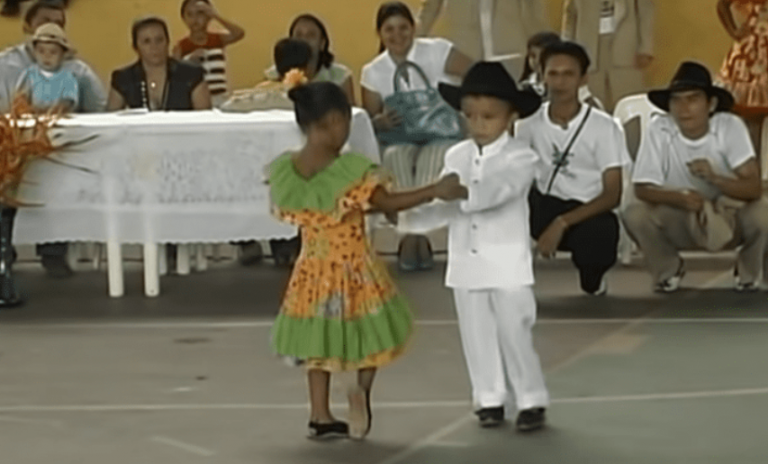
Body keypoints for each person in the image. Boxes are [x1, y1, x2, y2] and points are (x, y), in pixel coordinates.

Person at [268, 81, 460, 440]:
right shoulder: (351, 169)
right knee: (370, 333)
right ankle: (360, 390)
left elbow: (323, 208)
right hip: (353, 266)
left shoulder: (288, 170)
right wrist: (434, 189)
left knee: (316, 342)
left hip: (311, 270)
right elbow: (385, 203)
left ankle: (320, 414)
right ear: (334, 121)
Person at [400, 62, 549, 432]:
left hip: (507, 262)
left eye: (488, 116)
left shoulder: (521, 157)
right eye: (470, 115)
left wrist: (462, 192)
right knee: (476, 333)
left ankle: (530, 398)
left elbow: (500, 192)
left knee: (515, 330)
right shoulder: (456, 157)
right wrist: (405, 219)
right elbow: (443, 206)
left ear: (511, 116)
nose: (478, 124)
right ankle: (489, 397)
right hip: (465, 261)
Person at [622, 61, 768, 292]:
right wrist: (678, 198)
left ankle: (749, 270)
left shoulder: (730, 127)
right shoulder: (659, 129)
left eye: (693, 99)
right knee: (634, 213)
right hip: (680, 217)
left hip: (728, 217)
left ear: (710, 105)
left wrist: (715, 178)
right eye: (676, 100)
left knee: (764, 212)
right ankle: (668, 270)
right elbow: (642, 188)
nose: (684, 108)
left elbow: (753, 188)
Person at [361, 1, 473, 271]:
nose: (397, 35)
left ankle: (414, 235)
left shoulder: (437, 50)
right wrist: (381, 121)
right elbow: (368, 122)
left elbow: (475, 73)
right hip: (400, 138)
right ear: (380, 34)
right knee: (394, 157)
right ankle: (413, 234)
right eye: (389, 30)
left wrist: (458, 105)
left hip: (441, 132)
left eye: (403, 28)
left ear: (413, 28)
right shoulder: (373, 71)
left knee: (435, 156)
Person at [0, 0, 106, 278]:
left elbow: (99, 109)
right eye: (45, 21)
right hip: (11, 147)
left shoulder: (76, 69)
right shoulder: (6, 64)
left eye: (59, 24)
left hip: (60, 149)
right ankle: (4, 254)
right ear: (27, 26)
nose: (52, 28)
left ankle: (54, 252)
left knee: (65, 174)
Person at [516, 41, 629, 295]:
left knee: (601, 234)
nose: (560, 82)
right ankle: (512, 281)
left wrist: (562, 222)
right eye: (553, 74)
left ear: (583, 79)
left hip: (587, 209)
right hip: (543, 203)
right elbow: (517, 177)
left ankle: (592, 278)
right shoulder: (528, 125)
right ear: (542, 76)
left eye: (568, 74)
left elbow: (612, 194)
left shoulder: (604, 126)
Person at [221, 38, 314, 267]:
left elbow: (225, 112)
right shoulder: (310, 98)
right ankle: (289, 244)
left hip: (252, 176)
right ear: (308, 66)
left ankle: (248, 241)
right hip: (294, 177)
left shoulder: (256, 94)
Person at [415, 0, 548, 78]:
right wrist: (414, 40)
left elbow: (534, 12)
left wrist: (545, 47)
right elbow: (430, 8)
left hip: (511, 53)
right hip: (465, 53)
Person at [562, 0, 655, 111]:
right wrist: (566, 52)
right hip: (588, 47)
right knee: (592, 103)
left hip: (626, 48)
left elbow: (646, 11)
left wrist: (645, 48)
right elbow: (570, 15)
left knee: (629, 102)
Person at [107, 16, 211, 111]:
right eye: (146, 41)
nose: (154, 47)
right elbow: (111, 122)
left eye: (159, 40)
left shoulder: (192, 74)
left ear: (168, 42)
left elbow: (205, 120)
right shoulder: (123, 78)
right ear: (135, 47)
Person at [265, 14, 355, 105]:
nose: (304, 40)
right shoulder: (273, 75)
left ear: (322, 44)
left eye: (311, 35)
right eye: (299, 35)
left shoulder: (340, 76)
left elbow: (351, 112)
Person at [717, 0, 768, 155]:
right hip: (752, 55)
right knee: (750, 121)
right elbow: (722, 4)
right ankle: (750, 172)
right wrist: (734, 32)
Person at [172, 0, 245, 107]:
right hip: (197, 100)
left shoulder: (217, 39)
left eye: (200, 13)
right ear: (184, 18)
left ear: (208, 16)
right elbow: (173, 74)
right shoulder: (181, 46)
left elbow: (239, 33)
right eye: (189, 14)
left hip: (221, 97)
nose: (195, 19)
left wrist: (216, 16)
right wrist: (188, 61)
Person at [520, 31, 604, 110]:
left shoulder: (583, 97)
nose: (537, 61)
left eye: (542, 55)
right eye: (533, 56)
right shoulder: (523, 89)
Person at [15, 23, 78, 112]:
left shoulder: (67, 77)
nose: (47, 56)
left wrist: (57, 109)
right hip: (32, 118)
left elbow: (68, 101)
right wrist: (25, 107)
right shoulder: (29, 74)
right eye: (41, 51)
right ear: (34, 52)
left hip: (58, 118)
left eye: (53, 52)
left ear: (62, 55)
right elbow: (21, 97)